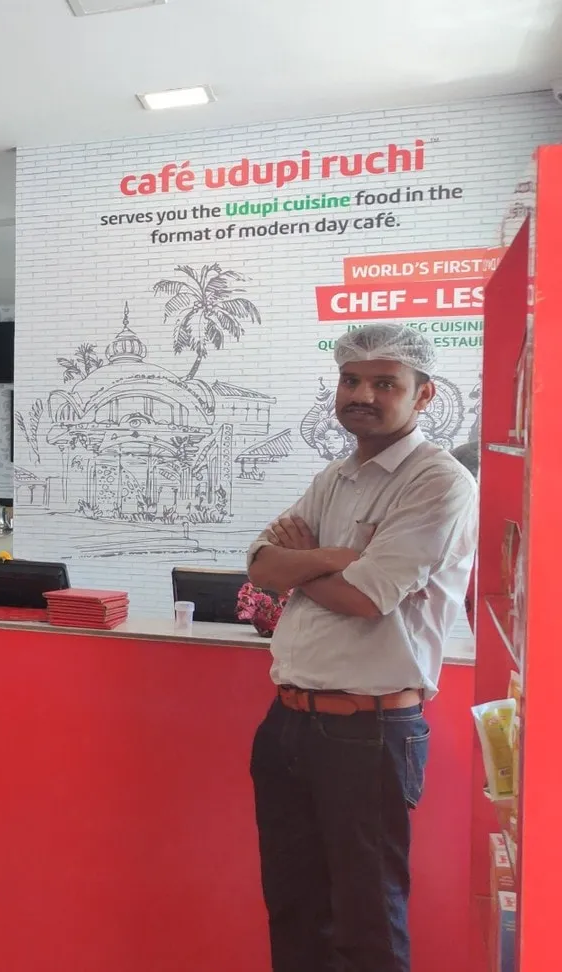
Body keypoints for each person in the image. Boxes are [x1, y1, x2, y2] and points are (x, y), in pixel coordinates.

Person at [244, 323, 477, 972]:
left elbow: (367, 597)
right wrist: (333, 558)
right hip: (287, 723)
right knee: (294, 911)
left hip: (368, 732)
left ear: (423, 394)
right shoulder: (337, 476)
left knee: (366, 922)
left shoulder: (438, 482)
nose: (362, 395)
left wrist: (303, 565)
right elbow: (259, 563)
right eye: (351, 380)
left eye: (384, 383)